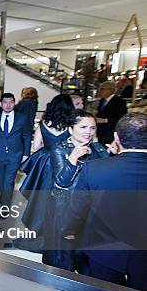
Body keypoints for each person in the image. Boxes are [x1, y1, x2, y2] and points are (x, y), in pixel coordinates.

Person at [65, 113, 147, 290]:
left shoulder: (94, 169)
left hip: (103, 249)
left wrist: (69, 231)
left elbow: (77, 210)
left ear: (116, 137)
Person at [45, 110, 108, 270]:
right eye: (83, 127)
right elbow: (61, 182)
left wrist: (115, 156)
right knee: (65, 258)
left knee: (87, 258)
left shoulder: (98, 149)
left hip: (92, 209)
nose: (88, 132)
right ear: (71, 129)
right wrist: (72, 159)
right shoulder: (59, 149)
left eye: (92, 128)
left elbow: (107, 177)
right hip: (66, 208)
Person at [19, 94, 75, 249]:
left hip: (45, 164)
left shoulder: (44, 124)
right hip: (64, 162)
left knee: (40, 198)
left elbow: (35, 147)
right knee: (62, 198)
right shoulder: (71, 126)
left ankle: (38, 230)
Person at [0, 93, 32, 208]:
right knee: (1, 180)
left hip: (15, 155)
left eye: (11, 102)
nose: (8, 105)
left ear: (14, 103)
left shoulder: (22, 117)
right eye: (5, 102)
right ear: (0, 104)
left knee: (9, 181)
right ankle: (4, 197)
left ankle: (5, 207)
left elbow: (27, 136)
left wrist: (26, 154)